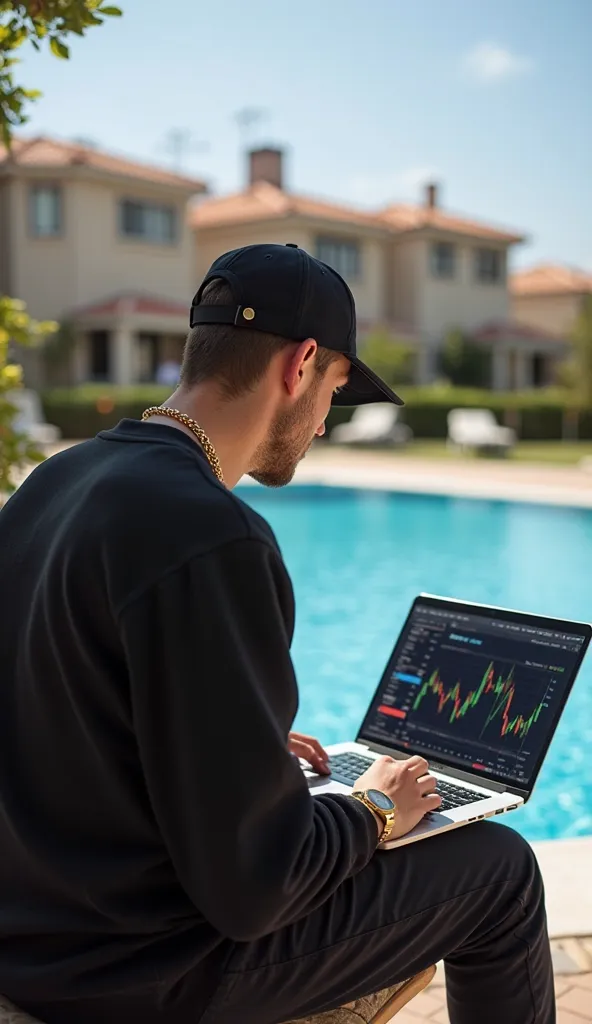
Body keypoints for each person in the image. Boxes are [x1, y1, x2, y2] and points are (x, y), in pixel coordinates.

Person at [0, 243, 554, 1024]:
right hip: (139, 973)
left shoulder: (57, 481)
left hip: (34, 938)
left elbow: (65, 712)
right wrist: (373, 811)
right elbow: (259, 886)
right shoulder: (214, 536)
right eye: (335, 390)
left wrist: (237, 752)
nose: (327, 421)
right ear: (299, 366)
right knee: (498, 870)